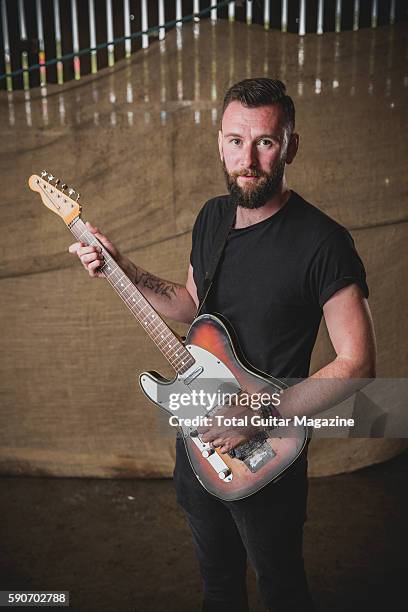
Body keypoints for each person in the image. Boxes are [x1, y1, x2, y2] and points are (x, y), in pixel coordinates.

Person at [69, 78, 376, 611]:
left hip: (267, 454)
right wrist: (125, 269)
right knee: (218, 588)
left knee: (282, 592)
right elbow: (194, 310)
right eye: (236, 141)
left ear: (291, 147)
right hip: (199, 444)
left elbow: (359, 363)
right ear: (219, 143)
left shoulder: (324, 243)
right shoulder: (212, 218)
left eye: (265, 142)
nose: (248, 160)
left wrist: (258, 411)